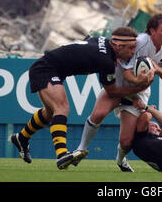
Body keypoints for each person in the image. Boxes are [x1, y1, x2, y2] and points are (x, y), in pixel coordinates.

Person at [10, 27, 153, 170]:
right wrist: (139, 86)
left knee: (49, 113)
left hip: (50, 67)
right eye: (131, 48)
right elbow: (112, 91)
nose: (133, 52)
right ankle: (61, 155)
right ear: (118, 46)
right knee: (62, 108)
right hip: (45, 69)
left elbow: (88, 41)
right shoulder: (106, 61)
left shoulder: (103, 41)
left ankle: (21, 138)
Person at [75, 13, 162, 172]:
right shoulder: (140, 42)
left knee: (126, 141)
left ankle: (120, 159)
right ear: (152, 31)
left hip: (137, 94)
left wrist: (156, 69)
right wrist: (139, 81)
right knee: (99, 114)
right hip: (118, 87)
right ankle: (80, 150)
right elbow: (126, 71)